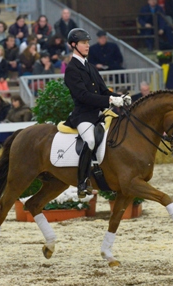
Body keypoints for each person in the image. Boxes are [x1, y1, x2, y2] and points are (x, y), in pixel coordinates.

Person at [63, 28, 129, 198]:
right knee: (90, 140)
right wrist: (109, 101)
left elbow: (103, 90)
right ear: (73, 45)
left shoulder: (90, 67)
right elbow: (83, 96)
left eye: (88, 43)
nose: (87, 46)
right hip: (83, 115)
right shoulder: (72, 69)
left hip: (98, 114)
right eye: (84, 43)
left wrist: (120, 97)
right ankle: (82, 182)